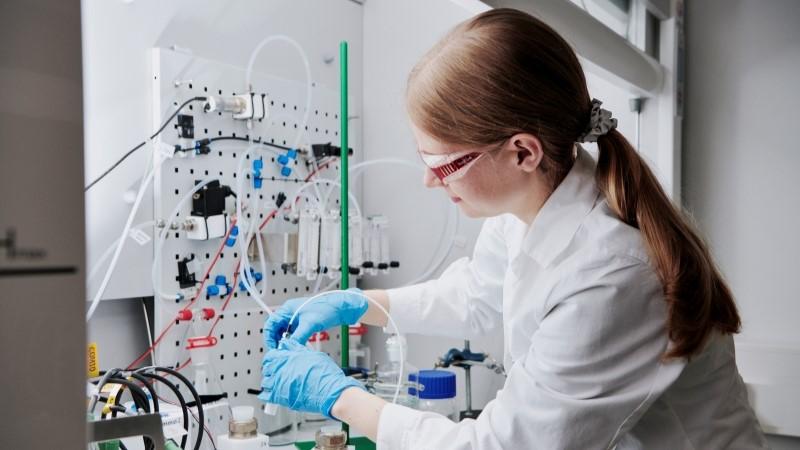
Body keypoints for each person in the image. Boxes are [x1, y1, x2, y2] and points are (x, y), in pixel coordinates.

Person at [258, 8, 766, 449]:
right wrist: (360, 303)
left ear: (523, 152)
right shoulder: (528, 205)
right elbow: (478, 296)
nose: (429, 181)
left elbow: (504, 446)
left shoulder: (611, 274)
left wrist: (341, 398)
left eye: (442, 163)